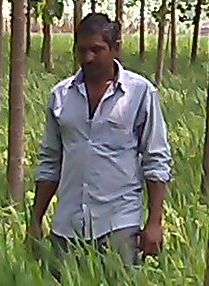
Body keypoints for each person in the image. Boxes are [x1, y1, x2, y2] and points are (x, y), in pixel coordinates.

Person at [29, 13, 172, 268]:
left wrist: (154, 222)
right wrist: (35, 220)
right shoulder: (61, 96)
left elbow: (156, 159)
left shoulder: (140, 94)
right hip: (68, 226)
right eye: (81, 50)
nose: (88, 58)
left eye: (97, 50)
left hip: (118, 223)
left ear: (116, 48)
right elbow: (50, 161)